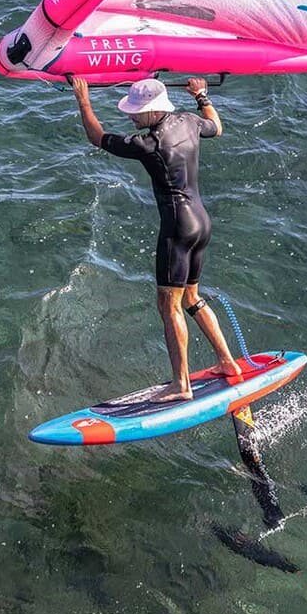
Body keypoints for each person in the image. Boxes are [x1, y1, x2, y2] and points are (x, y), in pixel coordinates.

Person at [71, 75, 242, 401]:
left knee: (169, 306)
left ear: (153, 111)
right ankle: (227, 363)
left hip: (178, 228)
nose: (131, 117)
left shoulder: (148, 144)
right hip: (202, 223)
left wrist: (83, 98)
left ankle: (181, 385)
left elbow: (97, 137)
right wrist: (201, 96)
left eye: (137, 112)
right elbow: (216, 127)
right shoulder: (190, 122)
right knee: (191, 297)